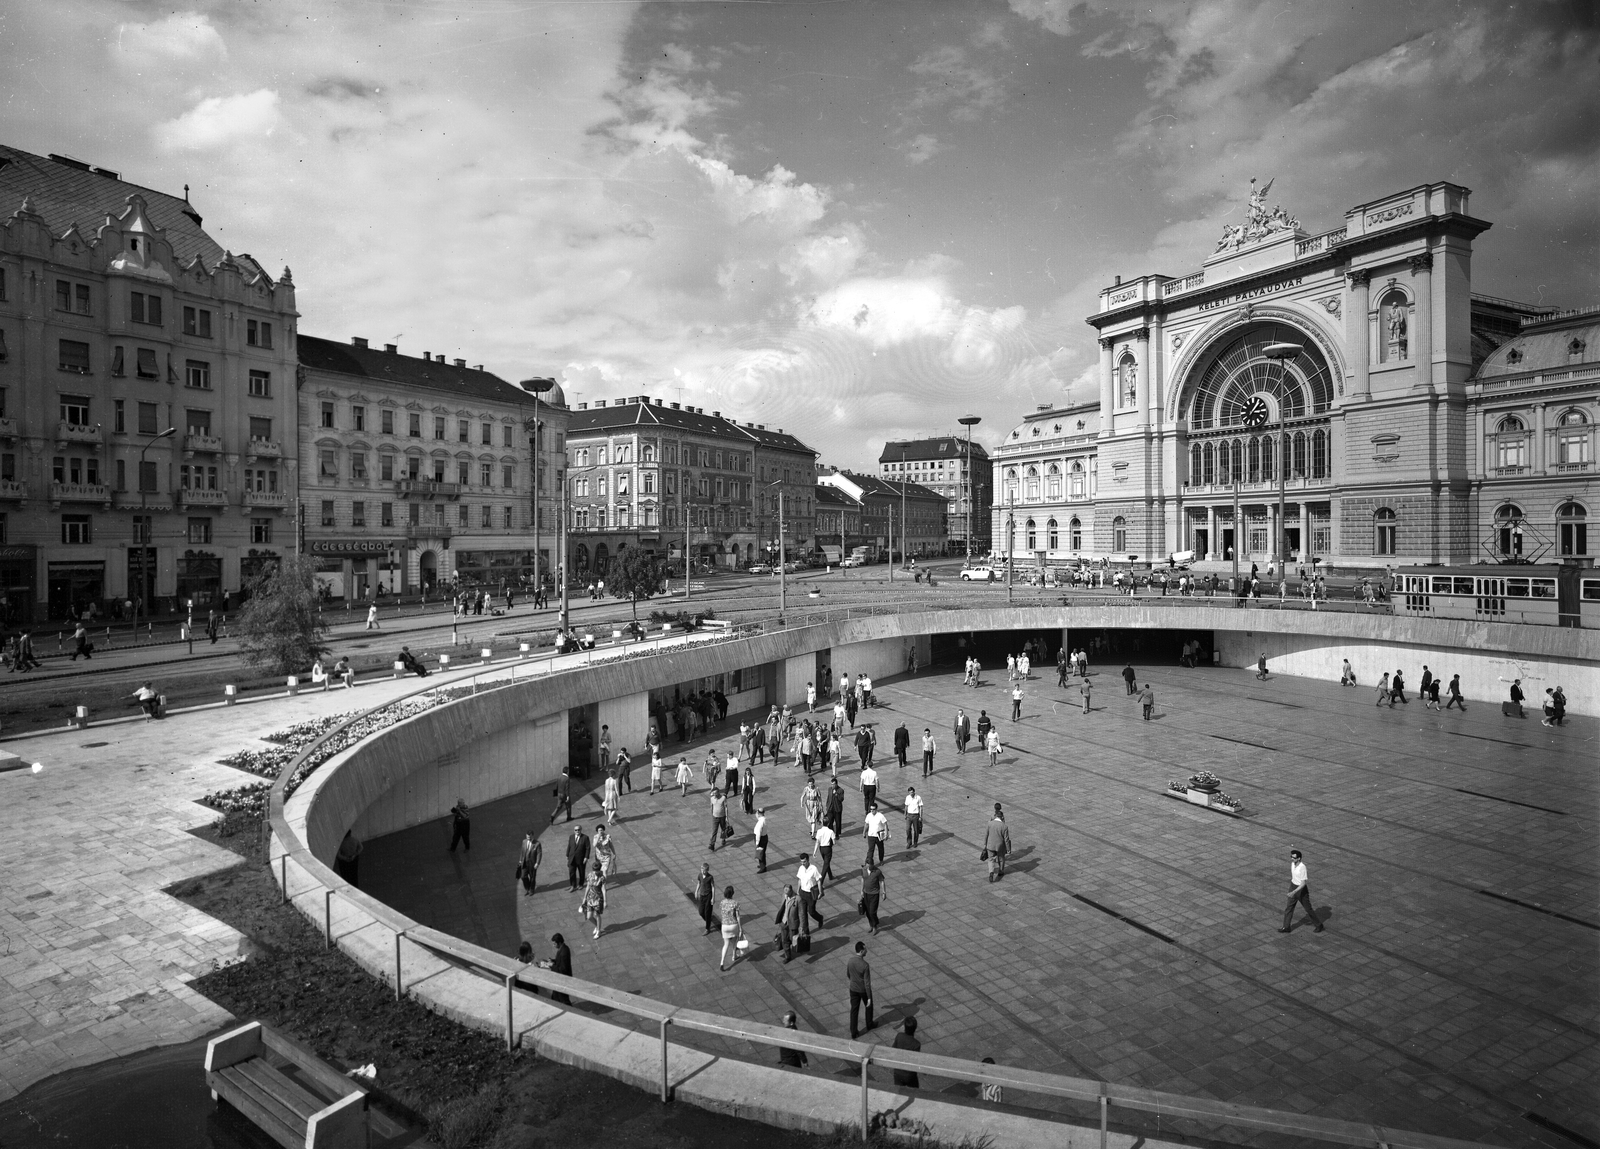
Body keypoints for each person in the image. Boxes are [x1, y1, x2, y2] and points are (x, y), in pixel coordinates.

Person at [1278, 849, 1324, 933]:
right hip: (1293, 886)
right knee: (1289, 908)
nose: (1292, 859)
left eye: (1294, 858)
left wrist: (1293, 892)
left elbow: (1303, 883)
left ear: (1299, 858)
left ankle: (1319, 925)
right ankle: (1286, 927)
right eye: (1291, 857)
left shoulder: (1302, 867)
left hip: (1301, 890)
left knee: (1308, 909)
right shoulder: (1292, 864)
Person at [847, 940, 874, 1038]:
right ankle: (869, 1024)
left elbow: (848, 974)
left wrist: (853, 981)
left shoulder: (850, 960)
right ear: (862, 951)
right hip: (862, 990)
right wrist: (869, 997)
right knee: (868, 1006)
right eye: (865, 949)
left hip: (853, 989)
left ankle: (853, 1032)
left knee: (854, 1010)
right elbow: (867, 983)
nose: (866, 951)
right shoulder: (865, 965)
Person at [796, 853, 825, 936]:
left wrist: (820, 892)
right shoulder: (801, 868)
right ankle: (806, 931)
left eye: (804, 862)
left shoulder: (813, 869)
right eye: (801, 862)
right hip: (802, 893)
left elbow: (818, 880)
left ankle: (820, 918)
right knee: (803, 913)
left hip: (811, 894)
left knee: (811, 912)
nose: (803, 864)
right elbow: (799, 880)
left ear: (808, 860)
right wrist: (798, 890)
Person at [982, 804, 1011, 882]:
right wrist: (1008, 849)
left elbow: (986, 835)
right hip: (1000, 846)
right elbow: (1006, 839)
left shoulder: (989, 823)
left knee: (991, 859)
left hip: (990, 845)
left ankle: (991, 872)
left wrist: (985, 844)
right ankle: (1001, 871)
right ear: (1001, 817)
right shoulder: (1004, 826)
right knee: (1001, 858)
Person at [543, 933, 573, 1004]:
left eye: (554, 944)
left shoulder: (564, 952)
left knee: (563, 999)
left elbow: (563, 969)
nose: (553, 946)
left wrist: (552, 965)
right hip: (559, 979)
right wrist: (553, 961)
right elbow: (560, 961)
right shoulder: (562, 948)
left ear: (559, 943)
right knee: (555, 997)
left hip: (563, 980)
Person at [891, 1017, 921, 1088]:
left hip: (898, 1072)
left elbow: (893, 1049)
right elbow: (915, 1060)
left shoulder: (899, 1036)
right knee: (915, 1091)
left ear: (904, 1026)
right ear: (915, 1028)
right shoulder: (916, 1044)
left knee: (899, 1092)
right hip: (909, 1075)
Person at [581, 859, 607, 939]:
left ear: (599, 869)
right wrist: (584, 898)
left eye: (596, 870)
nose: (595, 872)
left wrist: (605, 901)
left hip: (598, 899)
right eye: (594, 870)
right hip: (590, 898)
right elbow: (588, 886)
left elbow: (603, 889)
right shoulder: (590, 875)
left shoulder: (602, 878)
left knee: (597, 915)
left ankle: (598, 931)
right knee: (589, 916)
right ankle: (597, 926)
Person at [860, 858, 885, 934]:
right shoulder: (863, 870)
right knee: (867, 912)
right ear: (866, 864)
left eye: (872, 865)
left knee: (872, 911)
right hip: (866, 893)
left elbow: (882, 881)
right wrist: (861, 890)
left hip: (874, 894)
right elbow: (863, 879)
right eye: (869, 865)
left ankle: (875, 926)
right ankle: (871, 924)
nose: (871, 867)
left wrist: (883, 892)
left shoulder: (877, 871)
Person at [565, 823, 590, 891]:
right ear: (574, 831)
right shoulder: (571, 837)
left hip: (581, 858)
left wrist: (586, 857)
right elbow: (569, 846)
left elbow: (588, 848)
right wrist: (567, 855)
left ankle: (581, 884)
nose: (577, 831)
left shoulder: (585, 837)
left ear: (581, 830)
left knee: (581, 872)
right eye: (576, 830)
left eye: (578, 830)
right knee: (571, 872)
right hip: (572, 858)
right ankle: (573, 885)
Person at [694, 863, 717, 934]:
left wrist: (713, 897)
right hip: (702, 896)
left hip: (708, 896)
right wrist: (696, 891)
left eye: (704, 870)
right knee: (701, 912)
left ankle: (707, 928)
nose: (703, 871)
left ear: (707, 870)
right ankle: (708, 920)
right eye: (702, 870)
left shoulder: (710, 877)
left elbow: (713, 887)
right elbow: (699, 883)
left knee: (708, 912)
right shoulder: (700, 875)